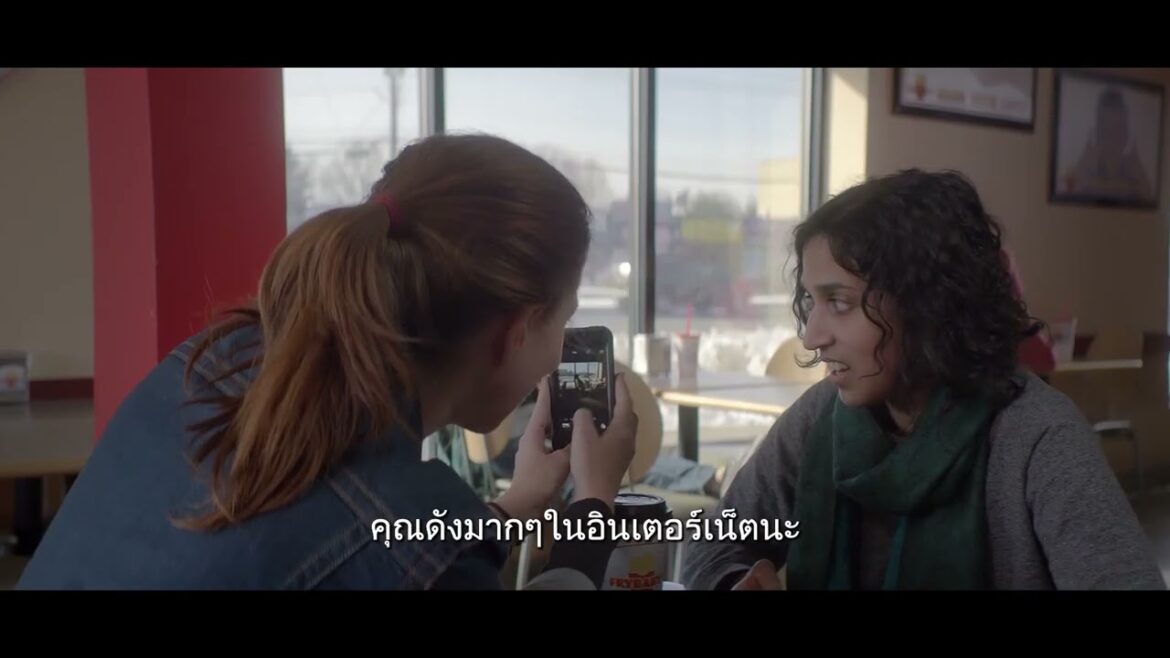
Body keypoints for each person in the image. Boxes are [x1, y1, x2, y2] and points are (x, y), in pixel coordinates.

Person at [17, 133, 638, 590]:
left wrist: (524, 498)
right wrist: (594, 507)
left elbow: (331, 536)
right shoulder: (421, 553)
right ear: (516, 331)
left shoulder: (214, 365)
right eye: (561, 319)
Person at [680, 169, 1165, 591]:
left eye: (840, 303)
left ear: (927, 305)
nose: (811, 336)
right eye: (811, 301)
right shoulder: (821, 418)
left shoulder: (1035, 436)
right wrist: (734, 581)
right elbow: (714, 544)